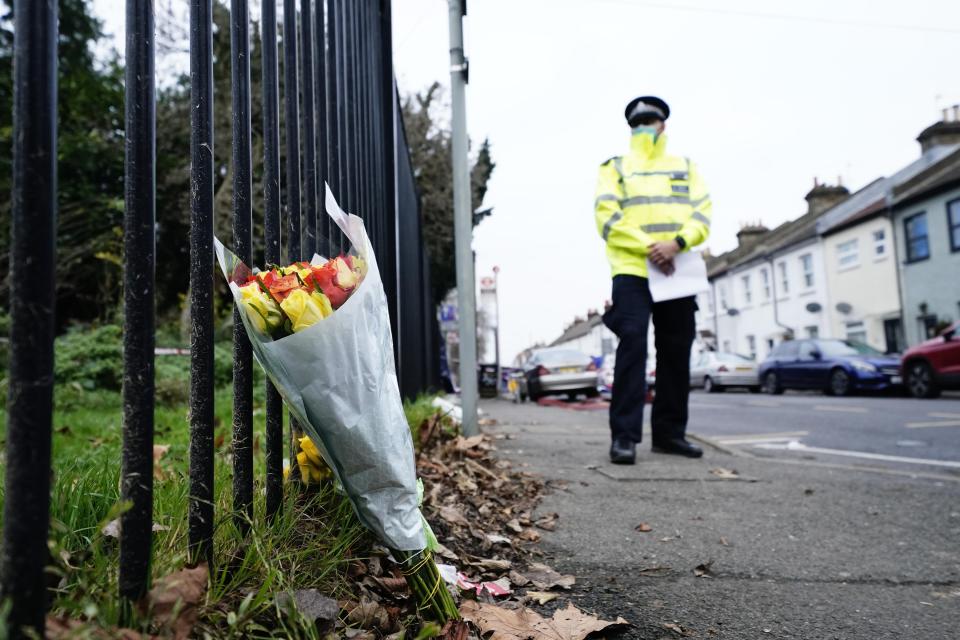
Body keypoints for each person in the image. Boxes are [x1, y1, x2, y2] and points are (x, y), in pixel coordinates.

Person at [594, 96, 712, 464]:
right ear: (631, 127)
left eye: (652, 119)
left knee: (676, 351)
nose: (645, 126)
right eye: (639, 121)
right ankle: (624, 438)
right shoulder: (614, 167)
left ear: (664, 125)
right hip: (632, 269)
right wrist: (651, 247)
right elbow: (607, 220)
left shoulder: (686, 166)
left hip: (676, 270)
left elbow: (702, 214)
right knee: (633, 348)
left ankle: (669, 434)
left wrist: (676, 243)